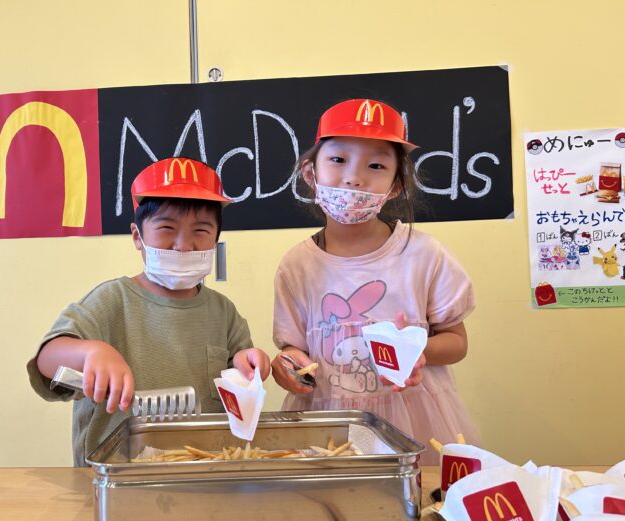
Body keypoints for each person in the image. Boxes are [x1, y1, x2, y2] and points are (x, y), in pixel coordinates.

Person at [271, 99, 478, 464]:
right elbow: (293, 351)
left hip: (416, 424)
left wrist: (418, 350)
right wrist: (286, 368)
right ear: (310, 172)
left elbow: (457, 343)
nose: (354, 177)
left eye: (376, 165)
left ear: (396, 186)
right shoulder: (296, 266)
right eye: (337, 160)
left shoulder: (424, 256)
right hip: (328, 426)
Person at [28, 157, 271, 466]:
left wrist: (247, 365)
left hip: (201, 470)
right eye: (167, 228)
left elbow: (241, 372)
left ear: (216, 240)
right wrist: (91, 352)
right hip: (115, 473)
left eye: (201, 230)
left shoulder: (223, 312)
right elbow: (47, 359)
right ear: (137, 237)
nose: (184, 245)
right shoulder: (111, 301)